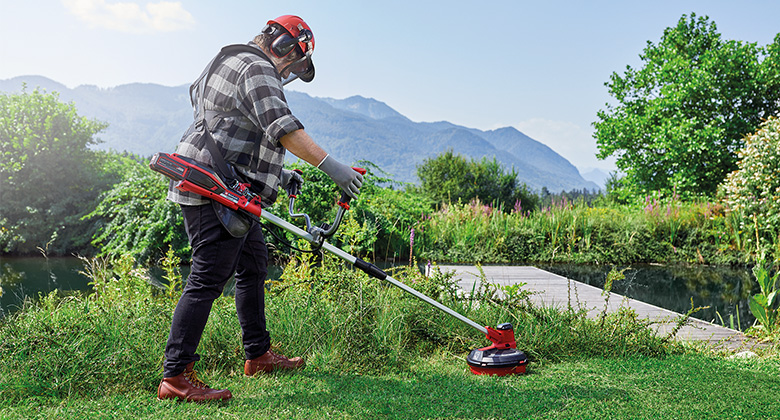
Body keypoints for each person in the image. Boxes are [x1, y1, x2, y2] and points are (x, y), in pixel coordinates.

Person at [157, 15, 363, 402]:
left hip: (231, 185)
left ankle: (258, 355)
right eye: (295, 64)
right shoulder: (258, 67)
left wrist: (278, 177)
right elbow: (283, 127)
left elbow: (230, 127)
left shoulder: (226, 60)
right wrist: (335, 169)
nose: (290, 73)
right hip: (217, 191)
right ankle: (175, 377)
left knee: (254, 267)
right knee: (206, 279)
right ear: (285, 47)